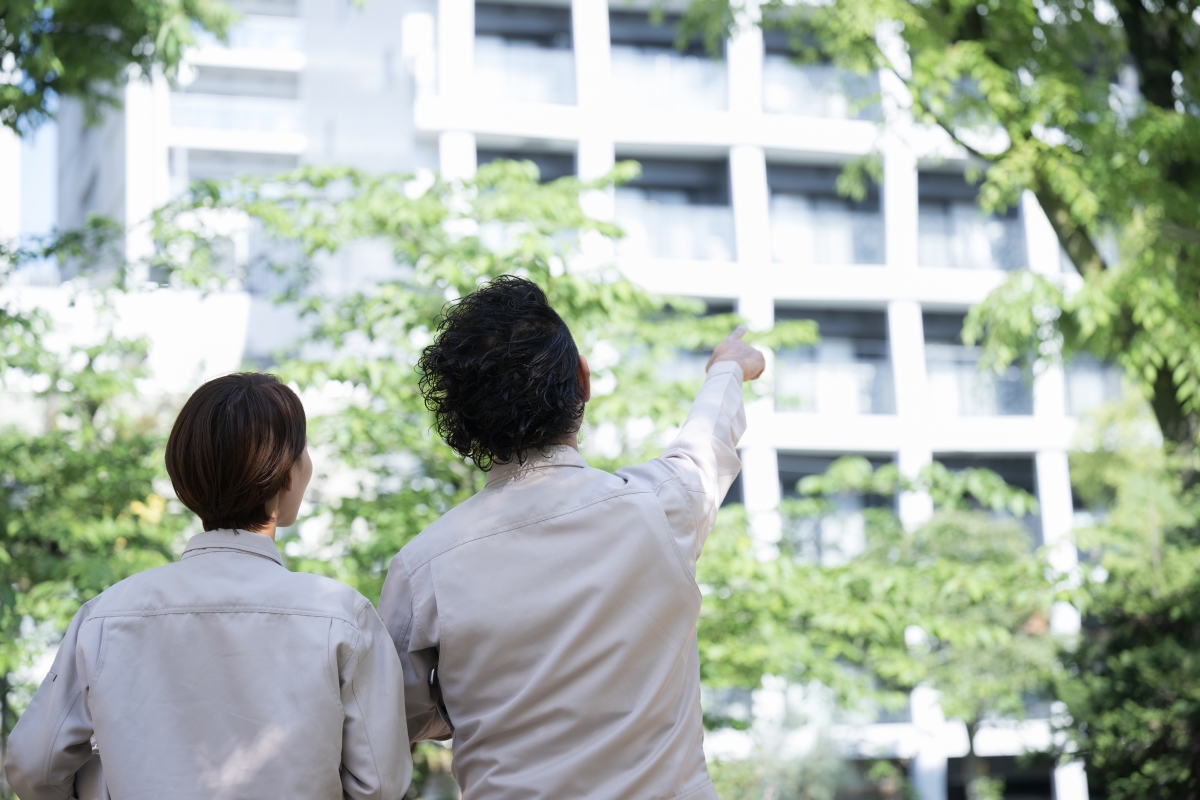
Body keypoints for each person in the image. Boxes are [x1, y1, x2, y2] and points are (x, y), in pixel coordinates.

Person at [378, 276, 764, 800]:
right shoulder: (658, 507)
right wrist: (728, 368)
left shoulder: (421, 567)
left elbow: (390, 722)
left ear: (462, 419)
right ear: (582, 380)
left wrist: (465, 701)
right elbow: (706, 442)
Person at [5, 373, 412, 800]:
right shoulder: (343, 615)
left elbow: (34, 766)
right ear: (289, 476)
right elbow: (380, 785)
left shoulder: (106, 615)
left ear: (185, 477)